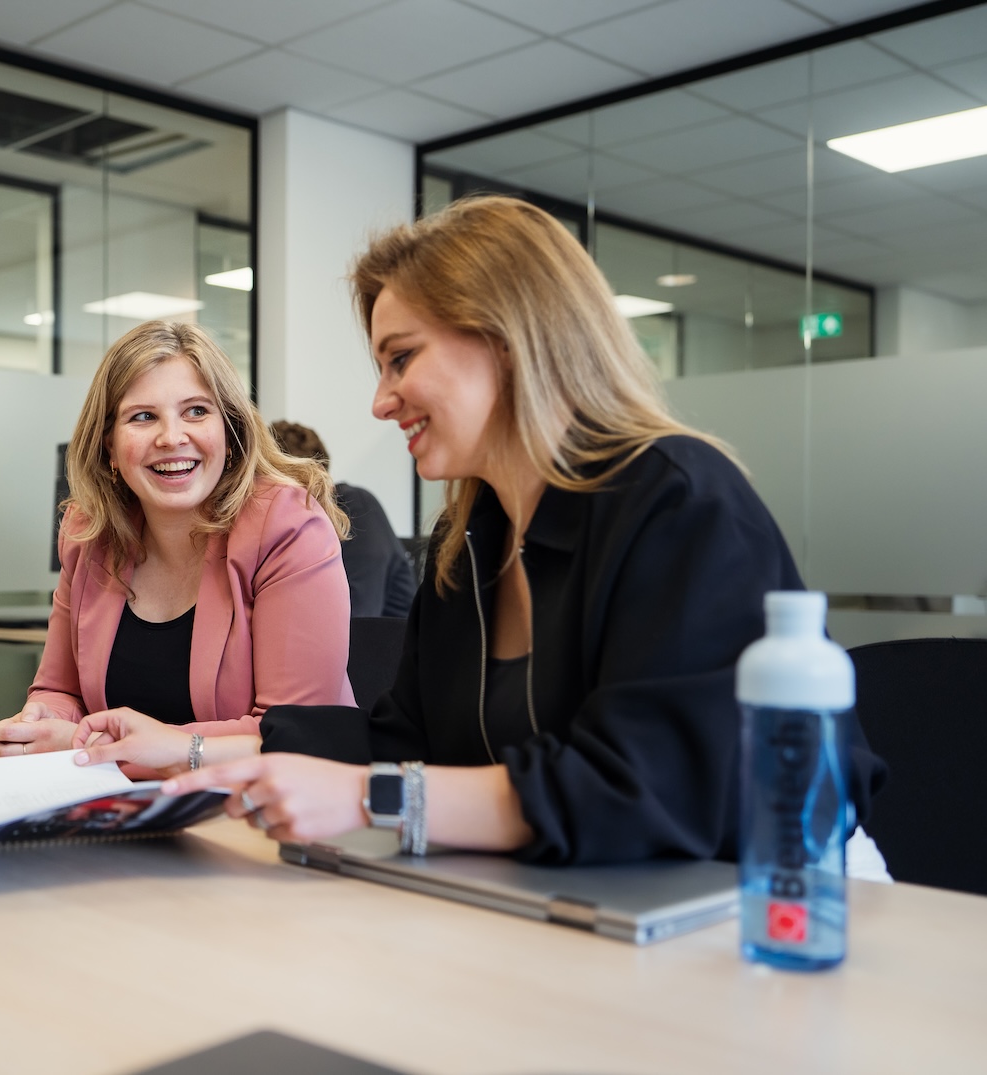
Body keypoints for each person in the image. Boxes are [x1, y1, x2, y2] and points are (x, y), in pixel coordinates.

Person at [80, 196, 886, 864]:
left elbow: (649, 789)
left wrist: (368, 798)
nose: (381, 399)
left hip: (766, 910)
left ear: (506, 338)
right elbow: (401, 737)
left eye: (401, 359)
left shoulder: (677, 501)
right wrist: (186, 751)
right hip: (575, 895)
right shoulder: (472, 542)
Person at [0, 321, 355, 769]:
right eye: (142, 417)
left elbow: (296, 733)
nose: (172, 437)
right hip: (127, 810)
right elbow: (60, 689)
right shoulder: (89, 535)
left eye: (196, 411)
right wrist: (41, 722)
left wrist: (93, 748)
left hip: (265, 814)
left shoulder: (287, 527)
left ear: (230, 430)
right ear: (109, 448)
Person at [269, 420, 416, 618]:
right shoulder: (300, 527)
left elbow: (358, 614)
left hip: (383, 643)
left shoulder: (356, 506)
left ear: (317, 477)